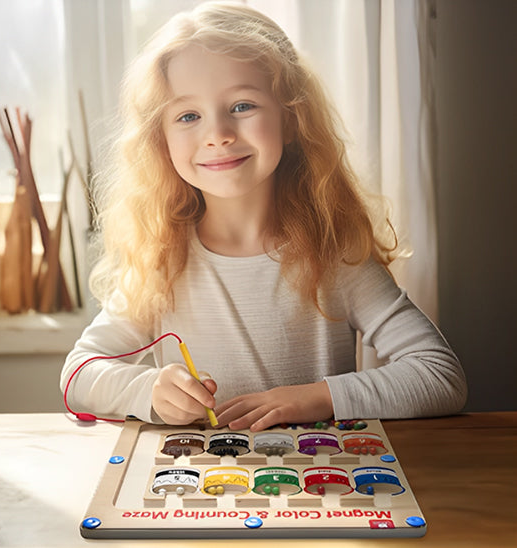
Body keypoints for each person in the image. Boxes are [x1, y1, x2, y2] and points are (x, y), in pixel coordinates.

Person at [60, 1, 467, 432]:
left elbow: (440, 375)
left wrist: (313, 398)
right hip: (202, 493)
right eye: (188, 115)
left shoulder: (333, 252)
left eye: (242, 106)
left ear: (291, 119)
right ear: (161, 140)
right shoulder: (162, 258)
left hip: (321, 491)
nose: (217, 135)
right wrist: (149, 390)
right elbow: (76, 377)